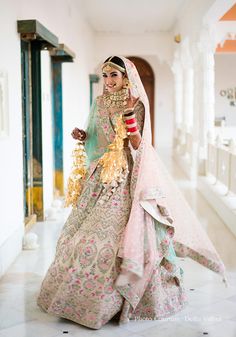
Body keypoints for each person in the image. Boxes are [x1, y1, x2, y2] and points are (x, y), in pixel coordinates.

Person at [37, 56, 226, 329]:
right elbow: (95, 136)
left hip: (126, 177)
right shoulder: (99, 103)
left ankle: (120, 300)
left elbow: (138, 144)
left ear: (126, 78)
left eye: (114, 75)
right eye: (105, 76)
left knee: (121, 237)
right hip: (101, 175)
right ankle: (77, 298)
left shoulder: (135, 104)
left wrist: (128, 114)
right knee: (83, 233)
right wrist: (83, 135)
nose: (109, 81)